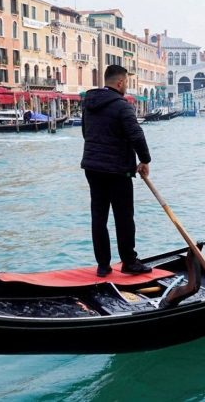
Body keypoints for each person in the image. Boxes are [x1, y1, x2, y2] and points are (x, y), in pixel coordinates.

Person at [81, 65, 152, 277]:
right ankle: (129, 262)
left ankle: (103, 266)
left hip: (92, 167)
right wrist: (145, 160)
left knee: (99, 217)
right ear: (120, 83)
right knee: (123, 217)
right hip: (117, 170)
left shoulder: (89, 103)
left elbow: (86, 133)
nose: (127, 86)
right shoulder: (122, 106)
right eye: (127, 82)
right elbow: (136, 135)